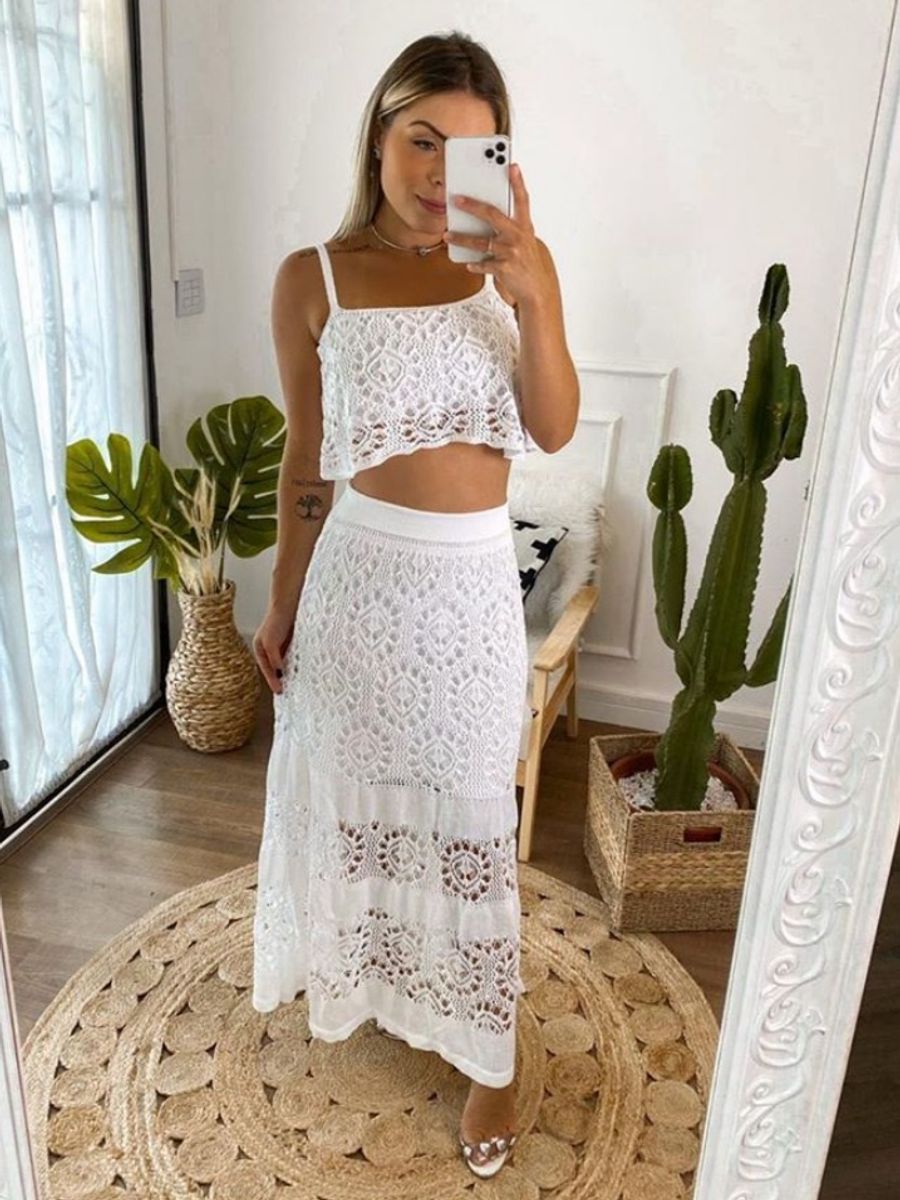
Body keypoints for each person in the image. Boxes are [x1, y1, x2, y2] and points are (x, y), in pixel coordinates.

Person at [251, 30, 578, 1180]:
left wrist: (537, 295)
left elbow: (552, 427)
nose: (441, 172)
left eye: (470, 148)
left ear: (502, 159)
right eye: (421, 140)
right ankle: (385, 980)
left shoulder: (513, 270)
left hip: (470, 599)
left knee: (472, 818)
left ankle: (491, 1054)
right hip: (356, 593)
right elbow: (307, 462)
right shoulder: (314, 278)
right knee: (357, 803)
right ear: (380, 140)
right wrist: (282, 602)